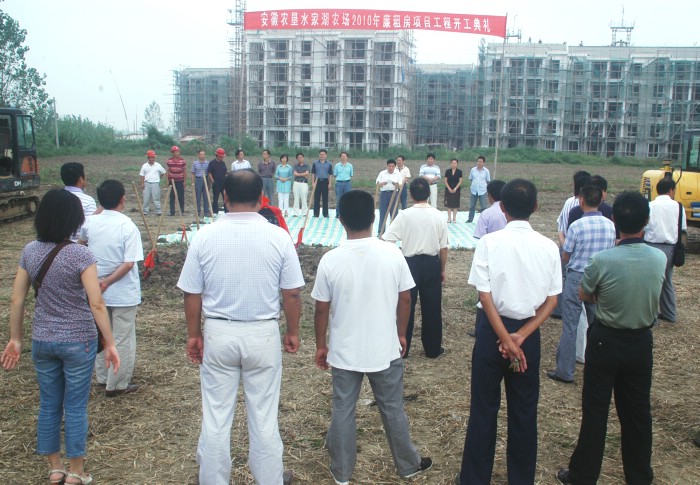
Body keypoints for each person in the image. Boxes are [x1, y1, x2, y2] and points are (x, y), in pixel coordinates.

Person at [177, 170, 303, 485]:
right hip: (263, 334)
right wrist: (292, 331)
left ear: (224, 197)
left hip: (219, 333)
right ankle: (270, 478)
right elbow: (292, 293)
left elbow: (192, 293)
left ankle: (213, 479)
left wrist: (194, 334)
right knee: (264, 417)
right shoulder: (278, 237)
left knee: (216, 416)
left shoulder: (204, 236)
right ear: (262, 198)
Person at [312, 189, 433, 484]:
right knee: (392, 408)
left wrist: (321, 345)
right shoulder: (392, 253)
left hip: (344, 350)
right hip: (385, 347)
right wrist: (401, 333)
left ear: (340, 219)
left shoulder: (330, 260)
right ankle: (409, 465)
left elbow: (321, 309)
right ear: (373, 217)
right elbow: (406, 298)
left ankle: (341, 472)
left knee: (343, 408)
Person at [1, 189, 120, 485]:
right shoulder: (81, 254)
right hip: (79, 340)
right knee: (75, 406)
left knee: (49, 404)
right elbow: (96, 303)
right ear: (74, 220)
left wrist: (15, 338)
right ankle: (76, 471)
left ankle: (55, 468)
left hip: (43, 340)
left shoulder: (30, 251)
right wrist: (110, 342)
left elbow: (17, 299)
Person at [556, 192, 666, 485]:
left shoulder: (603, 260)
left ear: (614, 219)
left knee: (595, 411)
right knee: (638, 412)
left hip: (605, 339)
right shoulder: (658, 258)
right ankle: (639, 475)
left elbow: (585, 294)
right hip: (640, 342)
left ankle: (583, 475)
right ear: (646, 221)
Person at [457, 179, 561, 485]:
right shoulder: (548, 247)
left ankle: (474, 479)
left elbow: (484, 295)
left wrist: (504, 338)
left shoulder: (489, 243)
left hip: (492, 331)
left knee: (483, 409)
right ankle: (521, 479)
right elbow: (552, 300)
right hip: (527, 335)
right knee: (524, 411)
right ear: (536, 207)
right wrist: (520, 337)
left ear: (502, 207)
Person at [79, 180, 143, 398]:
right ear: (123, 199)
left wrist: (100, 280)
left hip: (95, 290)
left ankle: (103, 376)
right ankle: (117, 383)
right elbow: (128, 263)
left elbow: (80, 245)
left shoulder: (90, 223)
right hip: (122, 292)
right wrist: (108, 281)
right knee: (122, 337)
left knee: (101, 332)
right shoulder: (127, 226)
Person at [548, 185, 616, 384]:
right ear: (601, 200)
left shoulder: (577, 226)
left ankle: (565, 371)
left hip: (577, 277)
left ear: (581, 200)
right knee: (597, 324)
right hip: (600, 278)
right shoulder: (610, 225)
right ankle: (597, 368)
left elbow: (566, 254)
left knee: (570, 325)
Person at [382, 178, 448, 358]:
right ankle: (433, 350)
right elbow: (443, 248)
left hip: (409, 264)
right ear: (429, 193)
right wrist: (442, 269)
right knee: (432, 308)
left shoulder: (404, 215)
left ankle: (402, 349)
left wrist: (397, 258)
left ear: (411, 194)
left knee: (405, 306)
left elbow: (386, 239)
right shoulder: (438, 215)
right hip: (432, 264)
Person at [643, 178, 687, 323]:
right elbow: (682, 230)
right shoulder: (679, 207)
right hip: (670, 248)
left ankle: (650, 315)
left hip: (650, 246)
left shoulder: (649, 205)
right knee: (667, 280)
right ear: (671, 190)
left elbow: (644, 227)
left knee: (650, 282)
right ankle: (669, 313)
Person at [61, 162, 97, 241]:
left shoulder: (54, 198)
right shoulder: (88, 201)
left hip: (56, 245)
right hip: (79, 246)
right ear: (81, 179)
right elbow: (90, 230)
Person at [376, 159, 402, 235]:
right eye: (389, 166)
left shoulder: (398, 174)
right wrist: (382, 183)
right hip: (384, 194)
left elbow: (400, 185)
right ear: (387, 166)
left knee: (394, 213)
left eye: (392, 166)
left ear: (395, 167)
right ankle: (381, 231)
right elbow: (377, 183)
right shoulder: (382, 173)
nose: (391, 168)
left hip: (394, 194)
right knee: (382, 213)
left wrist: (395, 184)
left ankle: (393, 232)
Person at [139, 150, 166, 217]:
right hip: (147, 183)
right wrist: (142, 183)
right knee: (146, 198)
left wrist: (158, 178)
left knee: (156, 198)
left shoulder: (158, 165)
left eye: (153, 157)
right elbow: (142, 175)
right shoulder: (144, 166)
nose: (152, 159)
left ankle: (158, 211)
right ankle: (145, 211)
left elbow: (163, 172)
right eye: (151, 157)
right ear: (148, 158)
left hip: (155, 183)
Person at [467, 155, 491, 223]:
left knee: (483, 206)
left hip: (482, 191)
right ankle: (470, 219)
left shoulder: (486, 171)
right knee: (472, 206)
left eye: (481, 162)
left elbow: (488, 181)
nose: (479, 163)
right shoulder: (473, 170)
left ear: (483, 163)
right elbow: (471, 179)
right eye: (478, 161)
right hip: (474, 190)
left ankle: (483, 220)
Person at [312, 148, 333, 218]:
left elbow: (330, 174)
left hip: (325, 181)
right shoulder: (315, 163)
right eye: (320, 154)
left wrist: (330, 183)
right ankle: (316, 214)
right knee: (316, 198)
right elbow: (313, 173)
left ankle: (325, 213)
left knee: (325, 198)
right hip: (317, 181)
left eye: (323, 154)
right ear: (319, 155)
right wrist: (313, 182)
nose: (322, 156)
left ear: (326, 155)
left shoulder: (329, 164)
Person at [166, 145, 187, 216]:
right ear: (173, 153)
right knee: (172, 197)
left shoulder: (183, 161)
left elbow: (184, 171)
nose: (178, 153)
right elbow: (167, 171)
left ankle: (181, 211)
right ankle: (172, 212)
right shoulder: (169, 161)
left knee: (181, 196)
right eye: (176, 152)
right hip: (172, 181)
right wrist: (167, 180)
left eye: (178, 151)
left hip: (180, 180)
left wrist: (184, 181)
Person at [207, 148, 228, 214]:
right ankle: (215, 212)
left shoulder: (223, 163)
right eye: (221, 156)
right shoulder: (212, 163)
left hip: (223, 183)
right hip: (216, 183)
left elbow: (225, 172)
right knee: (215, 198)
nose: (222, 158)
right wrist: (213, 181)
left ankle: (226, 211)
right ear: (217, 156)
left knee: (225, 197)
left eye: (223, 156)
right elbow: (209, 173)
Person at [191, 150, 211, 218]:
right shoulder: (195, 163)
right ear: (198, 155)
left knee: (206, 196)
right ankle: (198, 212)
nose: (202, 156)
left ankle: (206, 212)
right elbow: (193, 173)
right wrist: (193, 182)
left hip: (205, 179)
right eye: (201, 154)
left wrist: (209, 182)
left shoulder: (207, 163)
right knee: (198, 196)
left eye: (203, 154)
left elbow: (209, 172)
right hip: (198, 179)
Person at [444, 158, 463, 223]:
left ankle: (454, 218)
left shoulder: (459, 171)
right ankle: (449, 218)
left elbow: (460, 181)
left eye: (455, 163)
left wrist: (455, 188)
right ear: (450, 164)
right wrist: (449, 188)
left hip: (456, 190)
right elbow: (445, 180)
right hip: (448, 189)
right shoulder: (447, 171)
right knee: (449, 204)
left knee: (455, 204)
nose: (453, 164)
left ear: (457, 164)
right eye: (452, 163)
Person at [292, 152, 310, 217]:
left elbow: (307, 173)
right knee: (296, 198)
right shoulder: (295, 165)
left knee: (304, 197)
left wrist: (299, 174)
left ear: (303, 158)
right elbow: (295, 173)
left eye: (301, 157)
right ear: (297, 159)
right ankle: (295, 212)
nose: (300, 159)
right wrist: (303, 174)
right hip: (296, 183)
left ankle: (304, 212)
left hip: (304, 183)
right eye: (299, 158)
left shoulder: (307, 165)